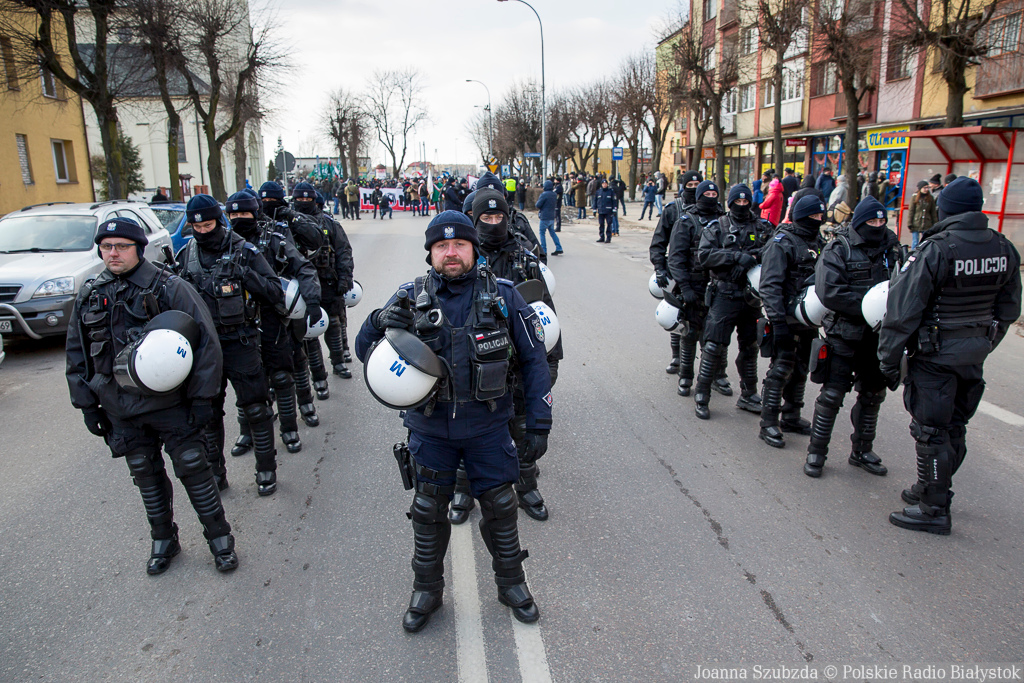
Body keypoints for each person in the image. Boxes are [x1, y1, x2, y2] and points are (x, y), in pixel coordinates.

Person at [355, 211, 552, 631]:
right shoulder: (409, 296)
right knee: (428, 511)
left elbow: (536, 359)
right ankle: (427, 590)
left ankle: (511, 584)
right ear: (430, 253)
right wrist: (376, 322)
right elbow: (364, 352)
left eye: (459, 245)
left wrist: (539, 421)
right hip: (430, 431)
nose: (450, 252)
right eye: (441, 246)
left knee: (501, 507)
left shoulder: (504, 296)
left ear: (473, 249)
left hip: (489, 428)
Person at [66, 216, 238, 574]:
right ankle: (164, 539)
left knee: (193, 468)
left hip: (171, 405)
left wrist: (204, 399)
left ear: (139, 249)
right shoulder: (90, 294)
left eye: (121, 246)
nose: (113, 253)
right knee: (144, 473)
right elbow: (77, 354)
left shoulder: (168, 287)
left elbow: (206, 343)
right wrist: (87, 406)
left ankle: (220, 539)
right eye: (106, 246)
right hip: (119, 407)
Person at [878, 178, 1021, 534]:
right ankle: (934, 488)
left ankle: (934, 510)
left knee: (931, 432)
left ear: (947, 209)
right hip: (972, 355)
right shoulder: (1003, 247)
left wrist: (888, 358)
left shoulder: (936, 249)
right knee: (954, 426)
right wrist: (984, 342)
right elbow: (1009, 308)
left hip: (935, 355)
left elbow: (902, 310)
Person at [447, 189, 562, 524]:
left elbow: (546, 315)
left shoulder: (525, 260)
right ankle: (462, 491)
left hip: (517, 365)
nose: (493, 223)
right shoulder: (462, 258)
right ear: (475, 219)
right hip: (471, 366)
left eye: (499, 217)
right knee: (467, 431)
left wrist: (550, 365)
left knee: (524, 432)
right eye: (487, 217)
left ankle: (526, 488)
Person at [176, 194, 285, 497]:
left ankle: (266, 469)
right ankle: (216, 471)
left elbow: (275, 290)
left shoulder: (244, 251)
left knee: (256, 408)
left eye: (207, 224)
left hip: (240, 341)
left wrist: (247, 276)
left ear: (219, 221)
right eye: (196, 226)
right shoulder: (187, 254)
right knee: (208, 412)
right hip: (202, 348)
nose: (201, 231)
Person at [803, 197, 899, 477]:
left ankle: (861, 450)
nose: (878, 226)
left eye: (882, 221)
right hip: (844, 334)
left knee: (872, 395)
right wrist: (867, 305)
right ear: (860, 222)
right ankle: (816, 453)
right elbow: (829, 291)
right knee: (831, 396)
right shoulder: (839, 247)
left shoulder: (892, 249)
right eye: (872, 221)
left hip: (878, 337)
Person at [225, 190, 321, 457]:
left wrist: (311, 301)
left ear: (255, 213)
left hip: (272, 316)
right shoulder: (222, 244)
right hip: (236, 324)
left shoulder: (273, 239)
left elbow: (303, 267)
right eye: (233, 214)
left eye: (244, 213)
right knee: (245, 383)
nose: (238, 219)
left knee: (281, 376)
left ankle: (289, 429)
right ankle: (247, 431)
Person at [693, 182, 769, 420]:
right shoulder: (718, 226)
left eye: (746, 201)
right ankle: (702, 394)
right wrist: (734, 257)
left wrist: (752, 257)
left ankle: (748, 394)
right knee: (714, 347)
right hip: (724, 294)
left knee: (750, 347)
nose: (742, 205)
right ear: (730, 202)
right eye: (738, 201)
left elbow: (775, 249)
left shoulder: (763, 226)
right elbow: (704, 256)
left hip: (751, 297)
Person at [756, 195, 824, 448]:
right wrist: (778, 322)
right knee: (781, 369)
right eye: (813, 217)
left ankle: (792, 415)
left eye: (820, 217)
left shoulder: (817, 241)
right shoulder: (781, 242)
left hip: (808, 319)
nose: (818, 221)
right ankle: (769, 423)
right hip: (784, 317)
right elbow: (770, 286)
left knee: (802, 368)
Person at [666, 174, 721, 397]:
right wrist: (684, 287)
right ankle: (686, 376)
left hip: (719, 287)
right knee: (690, 335)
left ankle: (715, 377)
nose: (709, 197)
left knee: (715, 337)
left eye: (713, 194)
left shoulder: (724, 221)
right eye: (705, 194)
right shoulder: (686, 221)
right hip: (693, 287)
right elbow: (676, 257)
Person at [535, 180, 563, 256]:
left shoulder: (544, 195)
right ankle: (559, 247)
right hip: (551, 216)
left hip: (544, 216)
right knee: (552, 233)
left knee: (542, 233)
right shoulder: (554, 194)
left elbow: (538, 205)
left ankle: (544, 250)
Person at [909, 180, 938, 249]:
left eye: (927, 188)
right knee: (915, 242)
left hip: (927, 223)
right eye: (924, 188)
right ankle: (913, 255)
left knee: (925, 241)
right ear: (920, 188)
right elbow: (911, 211)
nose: (926, 189)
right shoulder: (914, 197)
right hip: (916, 222)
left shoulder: (930, 198)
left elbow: (933, 212)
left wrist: (935, 223)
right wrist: (909, 223)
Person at [595, 178, 618, 243]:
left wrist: (614, 209)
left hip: (608, 211)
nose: (604, 185)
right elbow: (596, 201)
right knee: (601, 224)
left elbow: (614, 201)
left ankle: (608, 238)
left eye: (605, 184)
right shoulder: (598, 191)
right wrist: (594, 209)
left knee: (609, 224)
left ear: (607, 184)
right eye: (603, 184)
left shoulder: (611, 191)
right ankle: (601, 237)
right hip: (601, 211)